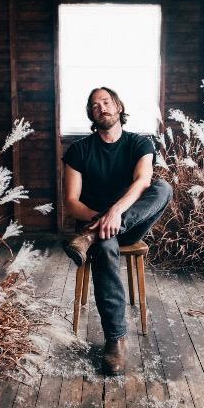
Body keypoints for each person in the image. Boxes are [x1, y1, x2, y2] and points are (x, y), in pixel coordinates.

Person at [61, 87, 173, 376]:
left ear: (119, 106)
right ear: (91, 114)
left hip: (128, 223)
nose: (102, 108)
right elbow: (72, 202)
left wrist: (115, 214)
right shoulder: (78, 151)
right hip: (94, 222)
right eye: (95, 106)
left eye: (106, 102)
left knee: (162, 187)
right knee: (107, 246)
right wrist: (101, 220)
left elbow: (142, 181)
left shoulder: (140, 143)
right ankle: (116, 339)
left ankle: (93, 235)